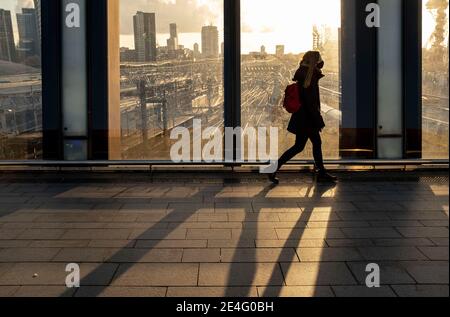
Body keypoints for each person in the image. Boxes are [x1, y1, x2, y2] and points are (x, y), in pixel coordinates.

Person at [269, 51, 337, 184]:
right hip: (308, 119)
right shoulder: (309, 77)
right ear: (314, 61)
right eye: (319, 59)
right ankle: (321, 173)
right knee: (315, 143)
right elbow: (311, 103)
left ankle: (273, 169)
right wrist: (318, 120)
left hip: (302, 118)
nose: (321, 62)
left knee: (299, 146)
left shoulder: (305, 74)